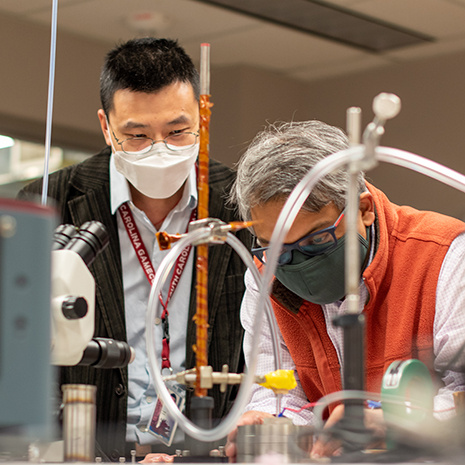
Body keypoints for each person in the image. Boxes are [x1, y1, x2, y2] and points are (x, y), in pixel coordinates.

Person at [18, 37, 252, 461]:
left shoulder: (240, 203)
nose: (159, 149)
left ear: (201, 118)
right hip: (85, 452)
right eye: (138, 135)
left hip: (209, 453)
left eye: (178, 132)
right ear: (107, 128)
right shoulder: (49, 203)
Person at [226, 120, 465, 460]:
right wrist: (272, 425)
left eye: (316, 240)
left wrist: (394, 422)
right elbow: (276, 394)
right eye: (278, 248)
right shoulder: (266, 276)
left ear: (363, 210)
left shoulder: (445, 256)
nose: (297, 264)